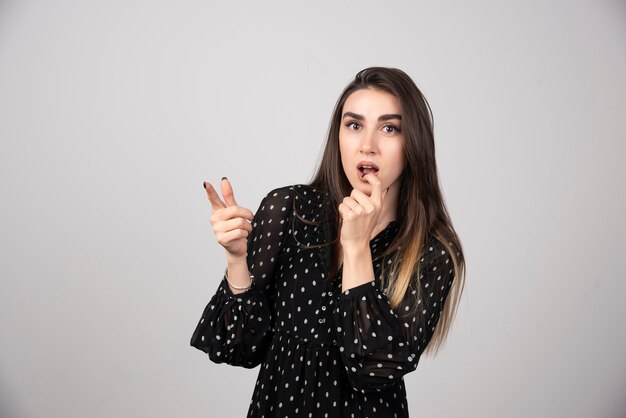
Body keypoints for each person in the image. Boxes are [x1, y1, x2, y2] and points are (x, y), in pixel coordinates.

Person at [190, 67, 466, 417]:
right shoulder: (289, 210)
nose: (368, 145)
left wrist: (356, 247)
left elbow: (371, 371)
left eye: (389, 128)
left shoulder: (432, 253)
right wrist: (236, 260)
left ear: (413, 143)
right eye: (354, 125)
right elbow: (238, 348)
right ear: (338, 136)